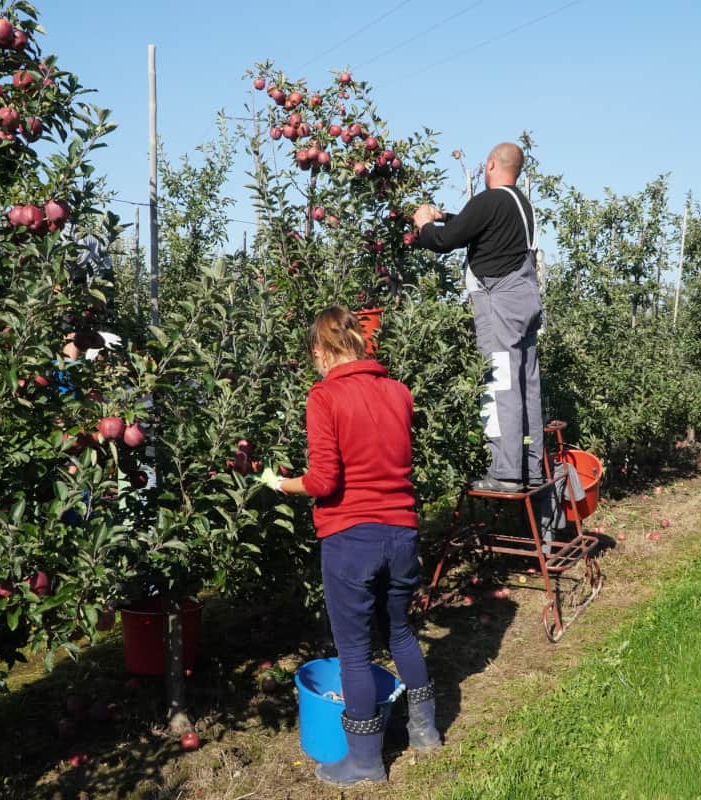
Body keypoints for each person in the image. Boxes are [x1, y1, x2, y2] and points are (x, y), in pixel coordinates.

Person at [258, 305, 442, 787]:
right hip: (401, 533)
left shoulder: (324, 396)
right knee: (400, 632)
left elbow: (323, 480)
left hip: (351, 537)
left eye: (313, 355)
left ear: (321, 350)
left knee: (355, 651)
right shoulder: (399, 392)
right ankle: (425, 732)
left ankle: (364, 762)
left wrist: (280, 484)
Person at [412, 142, 544, 493]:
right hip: (524, 300)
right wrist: (445, 215)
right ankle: (530, 467)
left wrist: (425, 225)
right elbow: (475, 226)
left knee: (500, 381)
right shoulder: (520, 204)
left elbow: (444, 241)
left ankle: (505, 472)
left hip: (500, 302)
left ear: (489, 165)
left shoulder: (490, 200)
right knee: (526, 383)